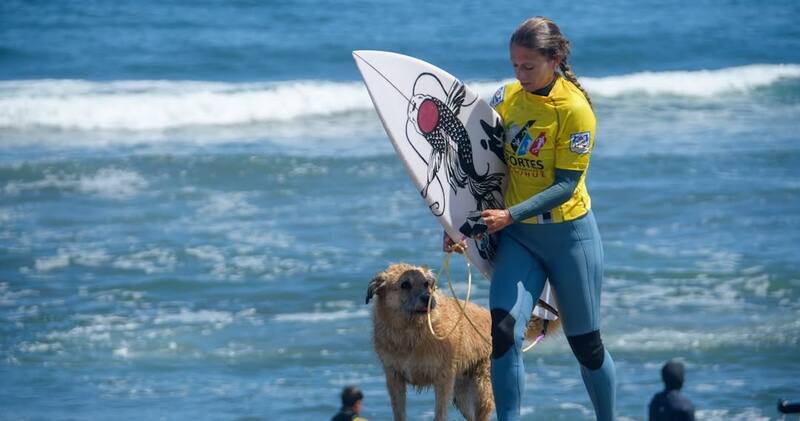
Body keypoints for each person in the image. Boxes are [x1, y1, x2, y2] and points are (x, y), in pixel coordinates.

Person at [444, 16, 616, 420]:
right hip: (520, 239)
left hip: (570, 239)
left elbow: (567, 185)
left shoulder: (574, 111)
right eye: (514, 65)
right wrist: (454, 226)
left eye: (528, 66)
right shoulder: (506, 98)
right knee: (502, 334)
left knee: (586, 346)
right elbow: (477, 169)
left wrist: (509, 213)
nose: (519, 75)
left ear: (554, 59)